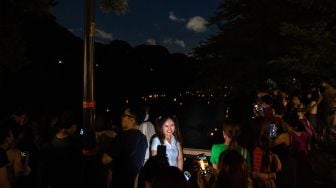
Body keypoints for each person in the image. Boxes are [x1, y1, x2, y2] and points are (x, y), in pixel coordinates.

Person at [103, 104, 148, 188]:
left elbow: (105, 159)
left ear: (132, 119)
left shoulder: (122, 136)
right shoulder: (143, 138)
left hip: (120, 183)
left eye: (124, 116)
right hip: (136, 184)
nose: (121, 118)